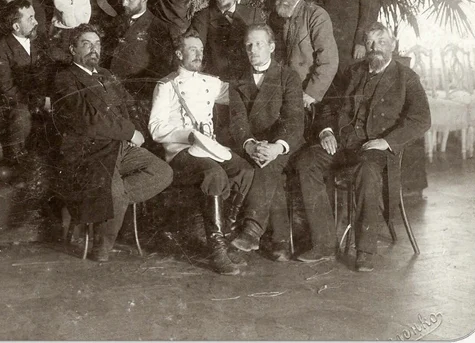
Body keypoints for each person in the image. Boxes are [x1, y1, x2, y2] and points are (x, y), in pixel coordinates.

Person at [295, 23, 431, 271]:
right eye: (370, 42)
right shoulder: (352, 72)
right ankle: (324, 244)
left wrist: (387, 142)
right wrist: (326, 131)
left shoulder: (406, 78)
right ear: (365, 46)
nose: (375, 48)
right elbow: (327, 105)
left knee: (368, 171)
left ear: (393, 45)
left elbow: (421, 119)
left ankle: (365, 251)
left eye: (382, 42)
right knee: (307, 161)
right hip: (342, 144)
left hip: (376, 149)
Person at [52, 25, 173, 262]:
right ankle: (102, 246)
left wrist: (137, 132)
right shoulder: (65, 78)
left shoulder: (106, 75)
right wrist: (129, 132)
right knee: (113, 190)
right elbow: (89, 121)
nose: (94, 49)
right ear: (73, 49)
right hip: (89, 151)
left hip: (120, 147)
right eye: (86, 44)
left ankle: (113, 201)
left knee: (163, 172)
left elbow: (128, 105)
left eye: (97, 44)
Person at [149, 33, 253, 275]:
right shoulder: (166, 85)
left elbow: (240, 94)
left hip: (209, 147)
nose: (199, 54)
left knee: (245, 170)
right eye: (192, 49)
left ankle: (226, 235)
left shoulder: (209, 82)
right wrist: (188, 135)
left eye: (201, 49)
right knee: (214, 174)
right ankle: (217, 250)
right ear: (179, 54)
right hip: (181, 152)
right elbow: (155, 128)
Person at [227, 24, 304, 261]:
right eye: (249, 45)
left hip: (285, 144)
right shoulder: (237, 79)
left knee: (268, 165)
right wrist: (250, 144)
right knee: (264, 167)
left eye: (259, 44)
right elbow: (237, 120)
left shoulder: (288, 76)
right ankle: (281, 242)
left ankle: (252, 229)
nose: (253, 49)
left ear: (271, 47)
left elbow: (293, 120)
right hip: (252, 144)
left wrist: (276, 147)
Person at [0, 0, 51, 166]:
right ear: (16, 26)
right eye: (30, 18)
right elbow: (7, 88)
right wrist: (39, 101)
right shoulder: (2, 49)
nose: (36, 22)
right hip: (17, 100)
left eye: (34, 16)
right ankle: (17, 160)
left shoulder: (36, 38)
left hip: (40, 95)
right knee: (21, 115)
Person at [271, 0, 338, 109]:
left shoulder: (315, 15)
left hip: (308, 96)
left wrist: (311, 94)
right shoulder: (276, 17)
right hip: (283, 92)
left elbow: (329, 60)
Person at [189, 0, 264, 83]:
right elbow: (196, 53)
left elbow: (264, 51)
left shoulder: (252, 14)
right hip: (216, 81)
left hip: (248, 81)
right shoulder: (203, 17)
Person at [109, 0, 170, 90]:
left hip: (136, 93)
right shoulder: (116, 22)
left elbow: (160, 73)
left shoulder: (158, 28)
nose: (124, 3)